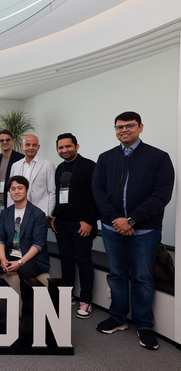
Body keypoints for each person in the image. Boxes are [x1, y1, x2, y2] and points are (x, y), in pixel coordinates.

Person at [92, 111, 174, 350]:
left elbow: (161, 196)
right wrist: (118, 220)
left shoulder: (159, 157)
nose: (123, 130)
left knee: (142, 278)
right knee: (116, 274)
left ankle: (143, 325)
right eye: (119, 127)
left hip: (145, 231)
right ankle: (118, 318)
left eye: (129, 126)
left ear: (140, 127)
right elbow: (98, 192)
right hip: (111, 227)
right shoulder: (106, 158)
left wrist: (132, 220)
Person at [0, 176, 50, 321]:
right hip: (10, 253)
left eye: (20, 188)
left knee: (26, 271)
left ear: (26, 190)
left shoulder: (38, 214)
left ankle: (27, 316)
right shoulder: (6, 213)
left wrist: (20, 262)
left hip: (32, 258)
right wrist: (2, 258)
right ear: (9, 192)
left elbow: (38, 245)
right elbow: (0, 238)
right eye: (13, 189)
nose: (16, 192)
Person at [50, 133, 98, 318]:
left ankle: (86, 300)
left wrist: (90, 222)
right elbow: (59, 194)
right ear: (57, 150)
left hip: (82, 224)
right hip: (62, 223)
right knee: (66, 259)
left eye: (68, 146)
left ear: (77, 146)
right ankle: (67, 293)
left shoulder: (89, 166)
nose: (64, 150)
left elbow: (97, 197)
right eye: (61, 148)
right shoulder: (59, 168)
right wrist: (55, 215)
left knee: (84, 261)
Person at [9, 134, 56, 217]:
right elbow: (10, 190)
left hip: (40, 212)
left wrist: (49, 214)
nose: (31, 148)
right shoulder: (15, 166)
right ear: (22, 146)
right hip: (18, 212)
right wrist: (10, 210)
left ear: (38, 147)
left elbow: (52, 191)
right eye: (27, 145)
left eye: (34, 145)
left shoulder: (48, 165)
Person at [0, 129, 25, 211]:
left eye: (7, 140)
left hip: (15, 203)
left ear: (12, 141)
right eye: (1, 140)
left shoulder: (20, 158)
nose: (5, 142)